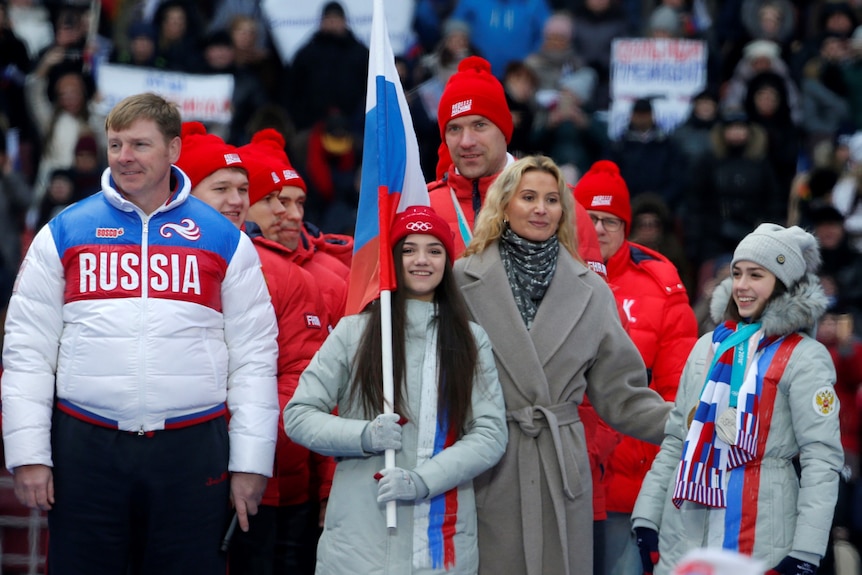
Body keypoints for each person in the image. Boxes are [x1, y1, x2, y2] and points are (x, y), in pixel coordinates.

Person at [0, 92, 280, 573]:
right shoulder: (65, 230)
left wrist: (252, 463)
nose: (124, 157)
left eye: (140, 145)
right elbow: (27, 350)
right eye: (115, 144)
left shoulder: (224, 238)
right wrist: (28, 454)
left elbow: (255, 357)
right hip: (85, 445)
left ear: (173, 150)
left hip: (193, 450)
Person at [453, 155, 672, 575]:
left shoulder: (591, 291)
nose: (541, 208)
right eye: (529, 197)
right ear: (503, 205)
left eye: (552, 200)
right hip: (490, 461)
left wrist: (689, 421)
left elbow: (620, 395)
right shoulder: (463, 280)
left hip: (560, 465)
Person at [284, 205, 508, 574]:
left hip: (440, 543)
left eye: (434, 250)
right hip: (359, 542)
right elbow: (299, 416)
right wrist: (364, 435)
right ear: (391, 259)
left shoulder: (470, 339)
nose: (422, 260)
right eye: (408, 249)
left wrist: (422, 481)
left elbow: (489, 434)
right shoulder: (354, 332)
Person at [632, 223, 844, 575]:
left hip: (763, 532)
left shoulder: (804, 356)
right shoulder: (707, 346)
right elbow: (675, 442)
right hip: (684, 530)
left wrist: (806, 552)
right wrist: (647, 518)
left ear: (782, 283)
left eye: (756, 275)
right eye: (737, 273)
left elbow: (821, 460)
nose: (742, 286)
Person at [177, 121, 332, 575]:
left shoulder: (286, 274)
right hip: (177, 468)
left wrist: (246, 448)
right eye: (221, 187)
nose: (236, 200)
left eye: (243, 189)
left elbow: (306, 385)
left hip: (266, 478)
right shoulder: (150, 264)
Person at [573, 160, 698, 575]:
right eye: (591, 218)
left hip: (630, 480)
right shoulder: (547, 274)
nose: (601, 229)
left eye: (612, 221)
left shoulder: (660, 283)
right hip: (567, 470)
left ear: (626, 228)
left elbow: (677, 386)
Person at [428, 55, 606, 277]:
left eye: (479, 125)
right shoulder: (426, 206)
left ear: (504, 130)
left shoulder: (559, 202)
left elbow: (592, 299)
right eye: (454, 129)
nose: (466, 141)